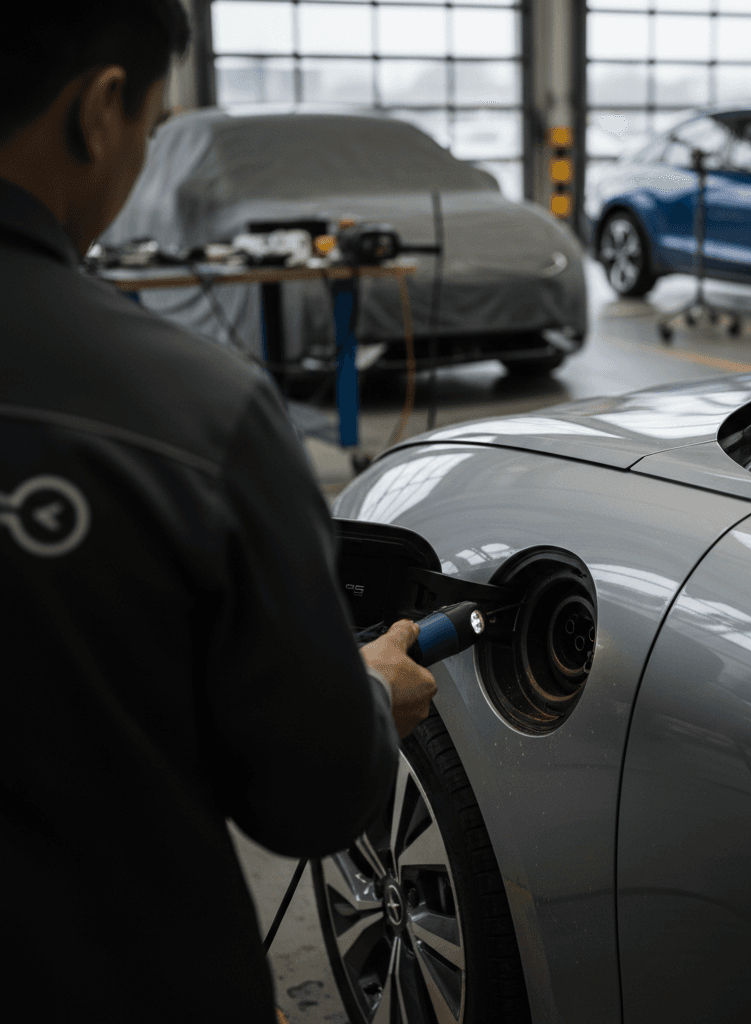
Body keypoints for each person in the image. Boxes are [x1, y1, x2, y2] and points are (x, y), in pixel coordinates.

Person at [0, 3, 436, 1021]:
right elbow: (311, 794)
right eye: (152, 129)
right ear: (100, 109)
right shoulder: (194, 409)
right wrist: (368, 697)